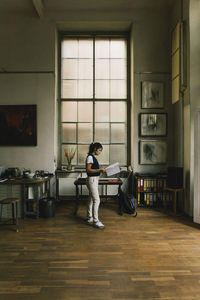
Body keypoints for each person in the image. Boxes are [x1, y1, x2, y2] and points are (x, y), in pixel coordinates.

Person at [86, 142, 105, 229]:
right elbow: (88, 170)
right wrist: (99, 169)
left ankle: (89, 217)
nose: (100, 152)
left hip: (94, 180)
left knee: (91, 198)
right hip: (92, 180)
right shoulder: (90, 157)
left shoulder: (93, 157)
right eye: (100, 150)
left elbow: (94, 169)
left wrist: (100, 170)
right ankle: (96, 221)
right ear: (95, 149)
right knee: (96, 200)